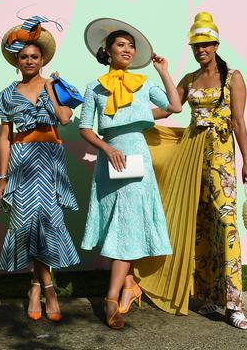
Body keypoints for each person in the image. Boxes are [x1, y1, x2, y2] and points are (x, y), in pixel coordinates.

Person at [135, 12, 247, 329]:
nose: (200, 49)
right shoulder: (189, 79)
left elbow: (239, 122)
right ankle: (205, 294)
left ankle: (234, 304)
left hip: (220, 158)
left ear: (215, 44)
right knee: (199, 222)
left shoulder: (233, 77)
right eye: (195, 45)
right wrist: (133, 116)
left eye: (205, 44)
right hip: (190, 154)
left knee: (227, 224)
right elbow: (167, 108)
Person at [78, 18, 182, 329]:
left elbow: (174, 106)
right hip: (111, 160)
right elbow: (85, 128)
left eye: (130, 46)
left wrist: (163, 71)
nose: (127, 49)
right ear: (107, 51)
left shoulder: (144, 84)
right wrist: (106, 148)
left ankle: (110, 299)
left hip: (138, 158)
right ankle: (130, 285)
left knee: (127, 223)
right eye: (120, 45)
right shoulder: (95, 87)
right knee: (120, 222)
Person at [0, 15, 80, 322]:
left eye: (34, 56)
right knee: (27, 225)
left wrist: (53, 89)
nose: (29, 60)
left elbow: (66, 119)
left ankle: (37, 286)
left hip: (50, 159)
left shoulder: (56, 85)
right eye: (24, 57)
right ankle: (46, 287)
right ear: (17, 61)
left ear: (42, 59)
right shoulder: (7, 93)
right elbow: (4, 138)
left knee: (48, 223)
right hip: (21, 160)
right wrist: (2, 176)